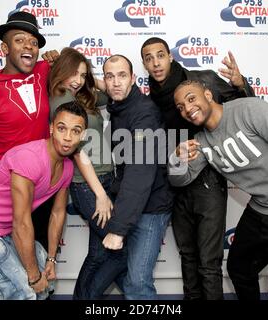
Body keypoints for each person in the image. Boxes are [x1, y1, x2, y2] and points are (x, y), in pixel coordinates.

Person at [168, 80, 268, 300]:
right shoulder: (202, 141)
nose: (187, 108)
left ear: (208, 95)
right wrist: (177, 158)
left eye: (191, 98)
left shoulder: (249, 110)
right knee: (239, 269)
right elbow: (180, 180)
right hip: (261, 212)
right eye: (181, 106)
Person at [140, 37, 255, 300]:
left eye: (160, 55)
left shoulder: (201, 80)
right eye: (149, 58)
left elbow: (247, 106)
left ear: (170, 57)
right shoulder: (152, 98)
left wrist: (240, 83)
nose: (156, 62)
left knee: (208, 264)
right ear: (145, 64)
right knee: (188, 258)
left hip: (208, 180)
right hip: (178, 183)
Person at [0, 102, 88, 300]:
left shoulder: (66, 167)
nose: (67, 137)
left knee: (45, 285)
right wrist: (32, 277)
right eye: (61, 128)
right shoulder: (29, 158)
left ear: (82, 135)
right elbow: (21, 222)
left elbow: (57, 214)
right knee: (23, 294)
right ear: (51, 128)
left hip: (2, 230)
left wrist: (51, 258)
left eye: (75, 131)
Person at [47, 47, 126, 300]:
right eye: (74, 73)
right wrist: (101, 195)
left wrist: (92, 79)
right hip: (87, 185)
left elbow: (113, 92)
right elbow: (77, 152)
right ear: (61, 71)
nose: (78, 80)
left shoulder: (81, 96)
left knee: (98, 253)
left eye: (83, 75)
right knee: (122, 251)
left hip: (105, 176)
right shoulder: (61, 101)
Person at [101, 54, 173, 300]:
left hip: (151, 208)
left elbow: (140, 173)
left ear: (133, 79)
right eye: (110, 77)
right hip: (132, 206)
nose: (116, 82)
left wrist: (118, 229)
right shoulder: (119, 108)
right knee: (127, 276)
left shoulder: (143, 113)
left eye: (122, 75)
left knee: (138, 283)